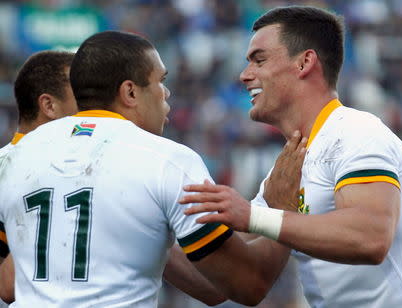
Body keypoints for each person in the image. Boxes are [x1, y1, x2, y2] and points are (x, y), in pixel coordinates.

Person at [0, 30, 291, 307]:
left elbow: (6, 285)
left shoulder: (14, 156)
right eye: (160, 81)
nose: (165, 94)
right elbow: (248, 284)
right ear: (130, 92)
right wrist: (282, 207)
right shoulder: (169, 160)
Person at [180, 6, 402, 307]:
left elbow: (371, 238)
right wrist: (150, 241)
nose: (244, 75)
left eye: (259, 60)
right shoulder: (287, 171)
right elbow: (242, 281)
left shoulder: (355, 132)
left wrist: (253, 216)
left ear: (304, 63)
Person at [0, 50, 78, 304]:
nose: (93, 108)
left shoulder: (82, 165)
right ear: (49, 106)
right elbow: (7, 285)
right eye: (82, 96)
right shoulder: (6, 169)